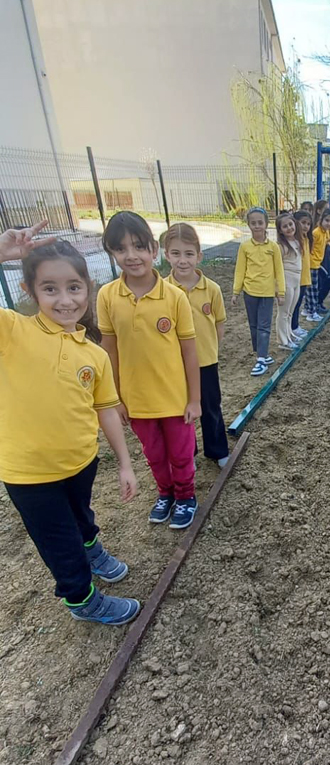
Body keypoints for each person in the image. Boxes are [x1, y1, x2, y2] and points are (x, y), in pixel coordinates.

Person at [0, 223, 140, 626]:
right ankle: (81, 598)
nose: (65, 300)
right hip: (29, 473)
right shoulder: (13, 332)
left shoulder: (94, 354)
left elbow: (106, 410)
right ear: (30, 291)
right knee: (59, 540)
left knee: (81, 515)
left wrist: (125, 464)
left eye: (74, 287)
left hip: (80, 461)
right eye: (50, 289)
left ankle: (92, 549)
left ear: (88, 288)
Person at [97, 211, 202, 530]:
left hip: (173, 398)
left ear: (154, 250)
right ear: (112, 253)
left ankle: (186, 496)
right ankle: (165, 492)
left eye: (139, 246)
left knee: (181, 454)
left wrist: (194, 399)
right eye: (121, 248)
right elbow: (108, 350)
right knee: (154, 454)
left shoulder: (174, 297)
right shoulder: (107, 296)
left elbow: (189, 350)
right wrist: (114, 399)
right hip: (136, 400)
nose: (131, 255)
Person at [164, 223, 229, 468]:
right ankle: (186, 453)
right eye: (176, 253)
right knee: (182, 412)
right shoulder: (162, 290)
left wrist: (212, 348)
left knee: (211, 406)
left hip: (205, 361)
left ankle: (217, 450)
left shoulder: (212, 289)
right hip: (174, 364)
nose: (183, 260)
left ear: (199, 256)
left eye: (189, 254)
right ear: (166, 254)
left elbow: (219, 323)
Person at [232, 207, 285, 377]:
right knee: (254, 325)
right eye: (253, 223)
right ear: (248, 225)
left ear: (266, 224)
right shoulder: (245, 247)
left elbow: (279, 270)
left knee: (263, 326)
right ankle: (261, 352)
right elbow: (240, 270)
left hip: (267, 293)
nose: (257, 226)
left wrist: (281, 291)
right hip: (250, 292)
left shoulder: (273, 247)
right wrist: (236, 291)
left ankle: (261, 358)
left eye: (260, 223)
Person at [275, 212, 302, 351]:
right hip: (286, 280)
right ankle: (283, 340)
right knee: (284, 312)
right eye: (285, 226)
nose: (289, 228)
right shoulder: (280, 246)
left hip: (297, 279)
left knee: (290, 311)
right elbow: (276, 267)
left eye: (290, 224)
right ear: (280, 230)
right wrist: (278, 288)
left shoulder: (296, 241)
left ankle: (289, 334)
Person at [304, 208, 330, 322]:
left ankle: (308, 309)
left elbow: (322, 244)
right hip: (313, 264)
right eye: (327, 220)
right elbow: (311, 247)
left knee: (313, 287)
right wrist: (310, 261)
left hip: (317, 263)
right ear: (321, 220)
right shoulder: (316, 232)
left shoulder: (324, 232)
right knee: (313, 289)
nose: (329, 224)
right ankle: (311, 312)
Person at [291, 209, 313, 339]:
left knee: (298, 304)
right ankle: (293, 327)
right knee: (294, 305)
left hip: (304, 278)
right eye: (303, 222)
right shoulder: (294, 241)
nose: (306, 226)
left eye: (308, 224)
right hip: (295, 279)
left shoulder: (306, 239)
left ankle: (295, 326)